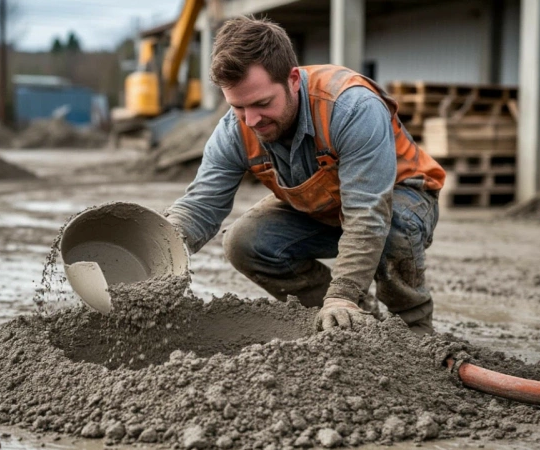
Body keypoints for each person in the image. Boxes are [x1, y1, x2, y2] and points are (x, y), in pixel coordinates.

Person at [164, 16, 446, 334]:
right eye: (238, 107)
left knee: (395, 226)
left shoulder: (351, 107)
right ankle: (350, 322)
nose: (251, 120)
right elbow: (201, 205)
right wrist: (159, 247)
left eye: (262, 103)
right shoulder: (234, 130)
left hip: (400, 198)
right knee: (244, 242)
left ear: (294, 80)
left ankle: (413, 332)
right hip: (326, 208)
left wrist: (343, 294)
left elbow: (368, 214)